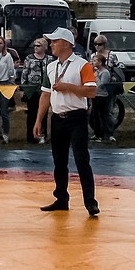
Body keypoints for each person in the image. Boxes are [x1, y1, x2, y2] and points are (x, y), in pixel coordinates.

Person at [35, 26, 99, 216]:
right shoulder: (51, 66)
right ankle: (61, 198)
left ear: (66, 44)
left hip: (76, 117)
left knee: (81, 160)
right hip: (57, 118)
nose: (51, 45)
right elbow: (45, 95)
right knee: (59, 161)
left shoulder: (82, 65)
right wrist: (39, 120)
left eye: (55, 41)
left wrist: (68, 87)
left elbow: (91, 91)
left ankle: (91, 202)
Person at [22, 37, 50, 143]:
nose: (35, 48)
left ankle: (43, 135)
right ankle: (31, 136)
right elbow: (25, 73)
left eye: (38, 46)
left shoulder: (50, 59)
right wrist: (25, 88)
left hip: (45, 89)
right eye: (34, 46)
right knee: (32, 113)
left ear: (44, 47)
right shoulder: (29, 58)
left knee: (44, 113)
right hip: (32, 89)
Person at [0, 36, 17, 143]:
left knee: (4, 110)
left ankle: (5, 133)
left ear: (4, 45)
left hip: (4, 84)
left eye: (0, 43)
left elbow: (11, 71)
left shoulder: (7, 56)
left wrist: (10, 81)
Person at [89, 53, 113, 143]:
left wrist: (95, 78)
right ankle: (97, 133)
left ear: (100, 62)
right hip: (95, 95)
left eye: (95, 61)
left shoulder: (105, 72)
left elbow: (102, 84)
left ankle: (103, 135)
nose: (93, 62)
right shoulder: (96, 72)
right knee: (95, 115)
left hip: (102, 96)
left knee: (102, 115)